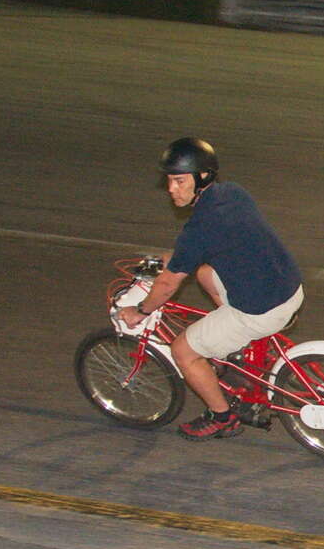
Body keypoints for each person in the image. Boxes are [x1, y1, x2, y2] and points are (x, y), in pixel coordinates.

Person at [117, 138, 304, 440]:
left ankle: (222, 417)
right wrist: (169, 261)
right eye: (169, 180)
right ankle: (235, 344)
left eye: (179, 181)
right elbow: (197, 254)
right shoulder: (232, 193)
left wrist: (140, 310)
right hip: (287, 286)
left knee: (183, 352)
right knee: (205, 273)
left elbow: (168, 284)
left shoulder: (200, 227)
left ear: (202, 177)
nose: (171, 189)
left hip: (260, 309)